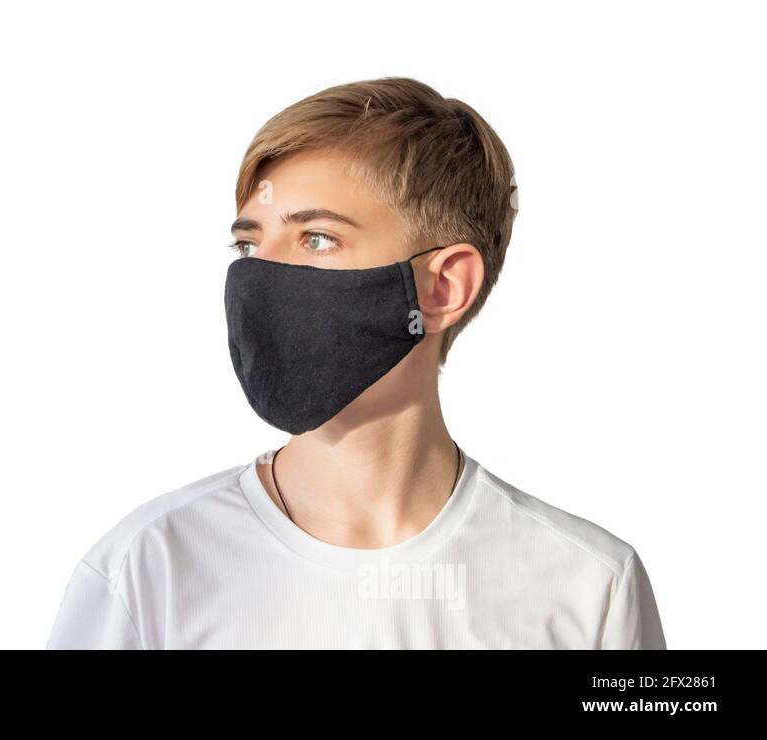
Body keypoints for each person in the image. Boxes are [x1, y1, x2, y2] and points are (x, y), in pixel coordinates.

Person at [45, 77, 665, 649]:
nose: (260, 276)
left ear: (442, 288)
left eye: (317, 238)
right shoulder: (147, 569)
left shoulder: (589, 587)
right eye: (248, 243)